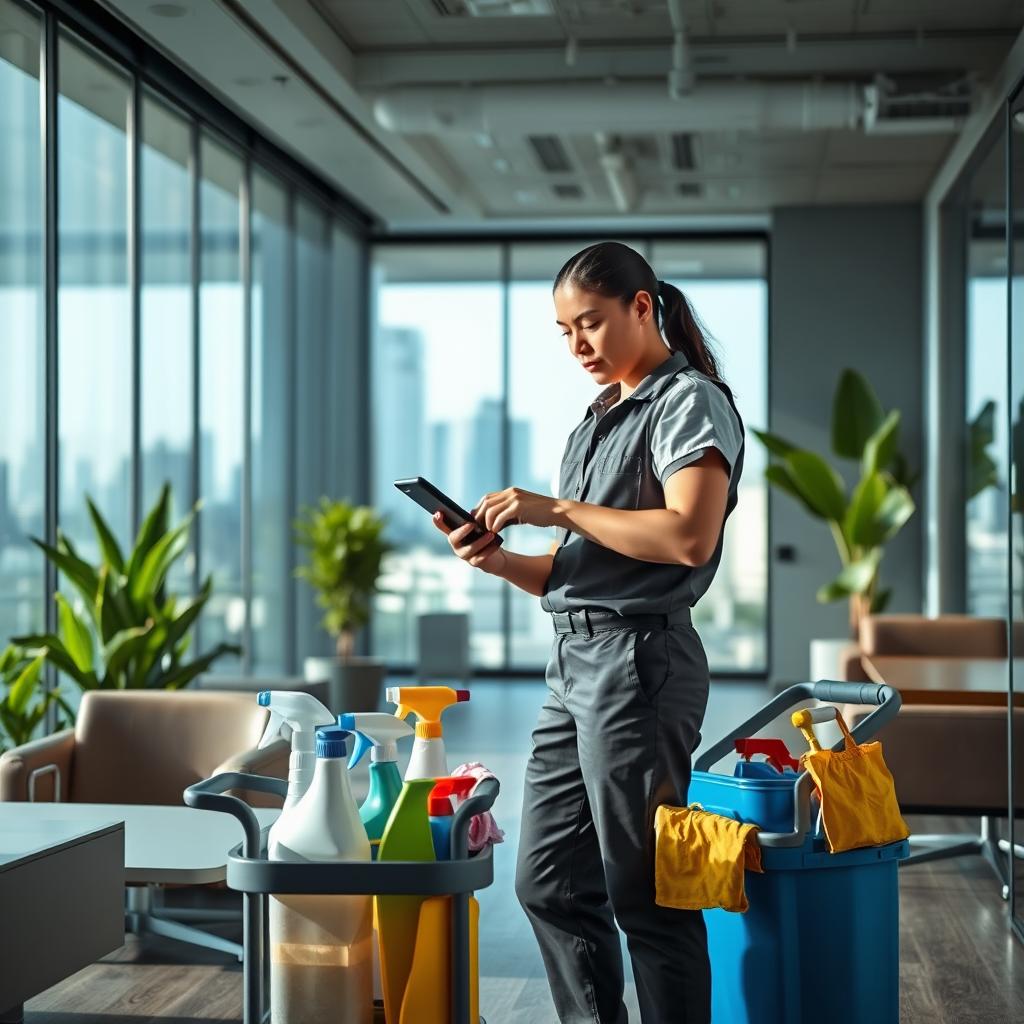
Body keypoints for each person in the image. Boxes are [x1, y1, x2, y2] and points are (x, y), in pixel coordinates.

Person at [432, 240, 745, 1023]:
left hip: (640, 666)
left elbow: (687, 539)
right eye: (565, 331)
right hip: (572, 663)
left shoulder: (688, 401)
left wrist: (558, 507)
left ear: (643, 307)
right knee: (547, 882)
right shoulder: (598, 419)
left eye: (593, 324)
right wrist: (500, 558)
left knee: (645, 896)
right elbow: (577, 572)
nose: (578, 345)